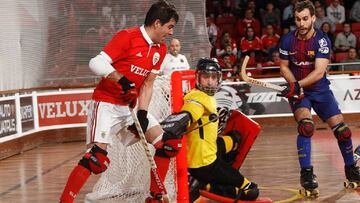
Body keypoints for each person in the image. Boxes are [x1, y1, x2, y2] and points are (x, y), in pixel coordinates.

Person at [59, 1, 178, 202]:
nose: (171, 32)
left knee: (168, 144)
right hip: (106, 105)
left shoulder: (161, 50)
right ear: (157, 23)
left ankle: (155, 196)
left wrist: (142, 114)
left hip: (130, 108)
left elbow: (147, 84)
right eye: (170, 27)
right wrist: (122, 80)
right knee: (96, 159)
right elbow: (95, 62)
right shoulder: (127, 37)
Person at [278, 0, 360, 195]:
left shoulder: (322, 40)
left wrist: (296, 84)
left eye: (305, 19)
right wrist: (293, 85)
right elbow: (283, 67)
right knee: (306, 127)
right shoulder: (287, 40)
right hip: (301, 93)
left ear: (313, 18)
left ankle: (351, 170)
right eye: (298, 19)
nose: (301, 23)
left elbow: (318, 72)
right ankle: (307, 174)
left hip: (320, 89)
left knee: (343, 131)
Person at [159, 58, 259, 202]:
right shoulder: (198, 97)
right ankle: (206, 185)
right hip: (205, 163)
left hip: (205, 151)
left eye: (214, 77)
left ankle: (204, 182)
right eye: (206, 77)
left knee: (234, 137)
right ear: (198, 78)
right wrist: (176, 124)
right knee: (252, 190)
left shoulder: (206, 96)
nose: (210, 81)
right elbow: (190, 112)